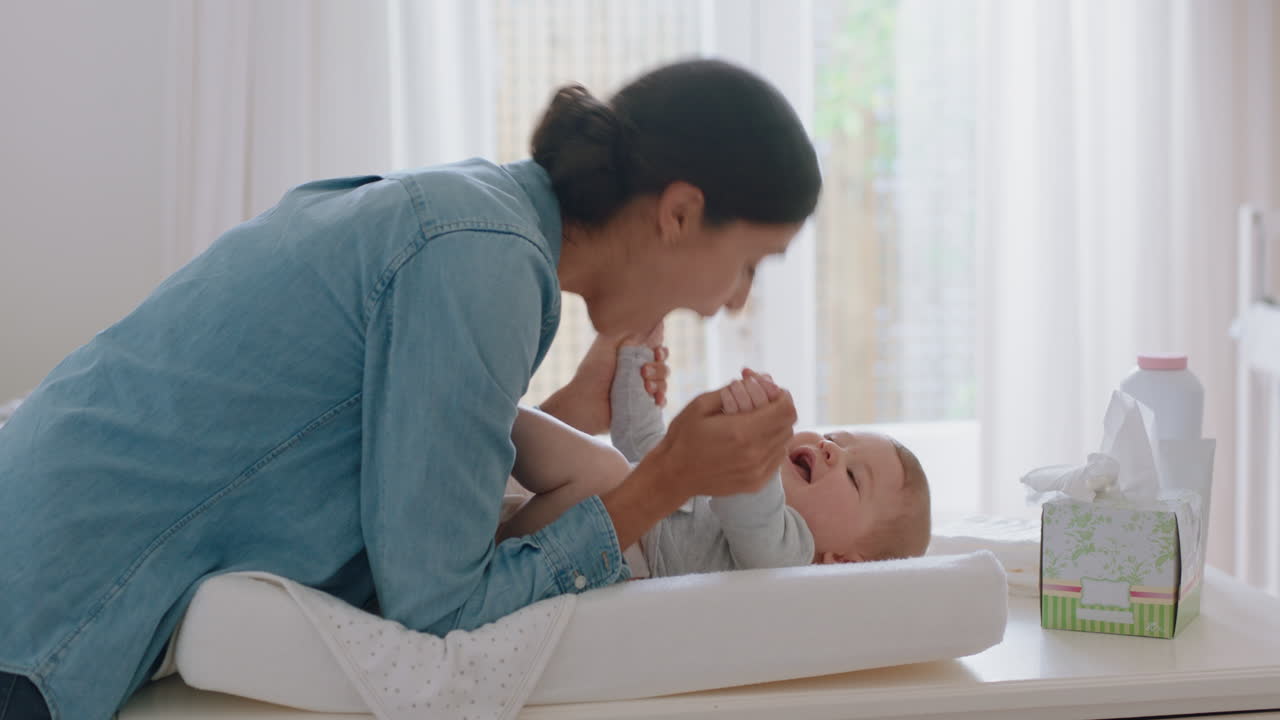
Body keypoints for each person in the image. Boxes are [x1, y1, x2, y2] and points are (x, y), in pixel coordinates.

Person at [0, 58, 820, 720]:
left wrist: (570, 414)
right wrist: (665, 480)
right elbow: (441, 612)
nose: (734, 302)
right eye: (749, 264)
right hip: (42, 614)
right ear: (679, 214)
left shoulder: (479, 217)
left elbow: (370, 461)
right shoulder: (483, 263)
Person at [498, 337, 932, 577]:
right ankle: (488, 426)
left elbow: (751, 510)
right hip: (549, 516)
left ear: (843, 561)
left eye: (854, 476)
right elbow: (644, 444)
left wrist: (753, 437)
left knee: (607, 468)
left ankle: (488, 411)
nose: (831, 448)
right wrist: (637, 352)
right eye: (835, 437)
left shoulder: (790, 558)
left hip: (606, 555)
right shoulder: (707, 485)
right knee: (610, 466)